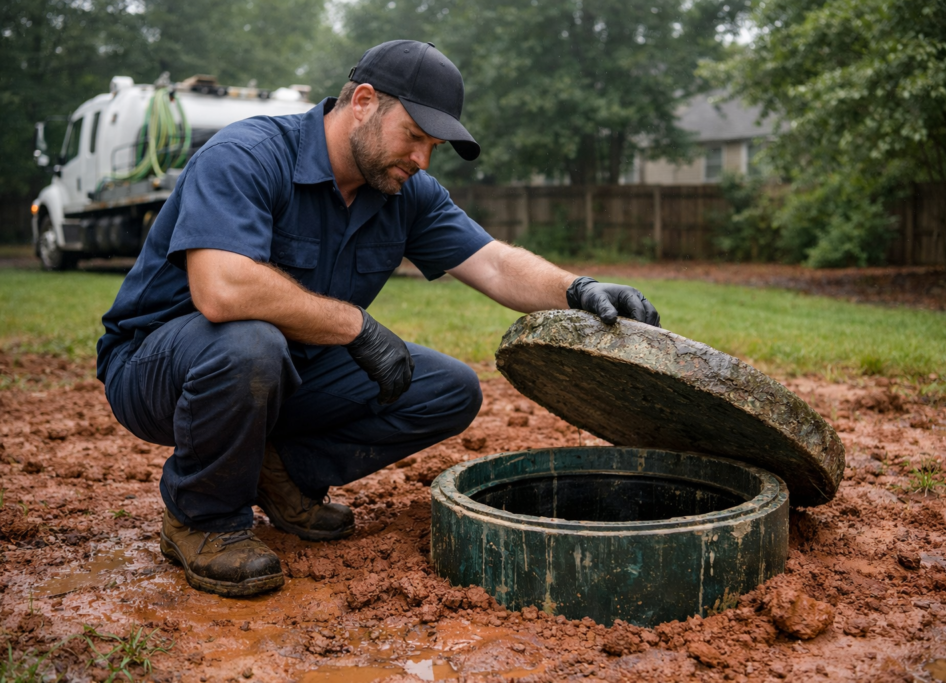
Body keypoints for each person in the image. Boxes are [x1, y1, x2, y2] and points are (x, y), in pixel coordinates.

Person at [97, 40, 660, 598]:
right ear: (363, 101)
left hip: (280, 369)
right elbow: (221, 290)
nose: (421, 159)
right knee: (249, 342)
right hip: (158, 367)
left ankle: (281, 473)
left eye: (432, 145)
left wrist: (576, 288)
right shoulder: (248, 154)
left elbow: (493, 264)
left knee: (448, 387)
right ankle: (203, 520)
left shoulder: (404, 191)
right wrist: (356, 327)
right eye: (414, 136)